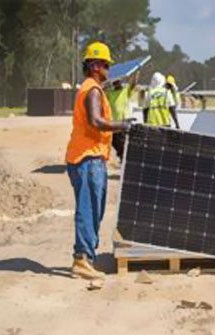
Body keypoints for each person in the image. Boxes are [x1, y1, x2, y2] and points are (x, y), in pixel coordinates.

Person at [65, 41, 131, 279]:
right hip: (86, 158)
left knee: (95, 209)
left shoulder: (94, 88)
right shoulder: (92, 89)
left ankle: (86, 258)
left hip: (93, 158)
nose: (108, 69)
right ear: (95, 66)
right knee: (88, 209)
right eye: (105, 64)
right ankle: (81, 258)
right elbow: (95, 121)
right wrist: (125, 125)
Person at [105, 73, 138, 162]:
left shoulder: (125, 90)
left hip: (124, 122)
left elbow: (133, 84)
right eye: (114, 82)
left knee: (123, 142)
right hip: (114, 123)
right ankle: (121, 155)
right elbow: (103, 95)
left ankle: (124, 158)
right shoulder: (110, 93)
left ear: (120, 82)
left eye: (117, 82)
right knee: (114, 142)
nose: (116, 84)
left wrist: (136, 73)